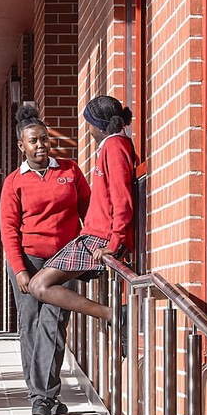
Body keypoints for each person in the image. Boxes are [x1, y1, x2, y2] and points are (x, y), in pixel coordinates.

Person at [0, 103, 89, 415]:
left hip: (63, 262)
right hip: (29, 260)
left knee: (55, 323)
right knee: (31, 326)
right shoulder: (14, 182)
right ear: (21, 146)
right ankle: (42, 394)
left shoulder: (69, 171)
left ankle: (44, 395)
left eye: (44, 139)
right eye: (33, 141)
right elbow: (8, 229)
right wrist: (19, 269)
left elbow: (89, 211)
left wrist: (91, 247)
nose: (40, 145)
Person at [24, 95, 138, 321]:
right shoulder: (113, 146)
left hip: (101, 238)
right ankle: (114, 315)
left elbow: (122, 200)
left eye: (90, 124)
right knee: (39, 285)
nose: (89, 131)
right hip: (94, 234)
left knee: (39, 285)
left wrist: (114, 243)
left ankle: (115, 315)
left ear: (99, 126)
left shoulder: (114, 147)